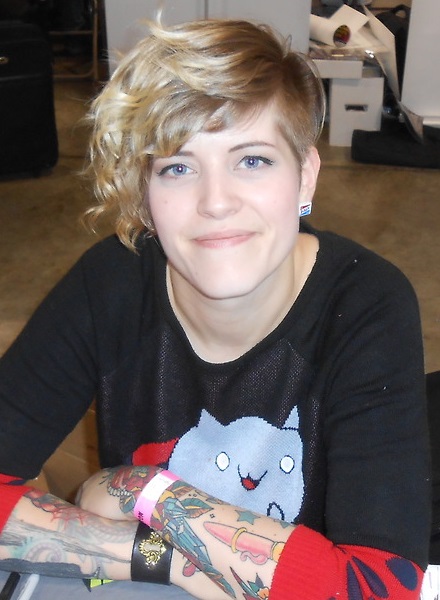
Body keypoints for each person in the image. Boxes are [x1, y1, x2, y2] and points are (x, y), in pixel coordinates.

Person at [0, 16, 431, 600]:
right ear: (145, 196)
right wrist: (171, 562)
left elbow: (380, 587)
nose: (216, 202)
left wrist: (147, 491)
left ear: (305, 178)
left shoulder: (364, 303)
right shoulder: (112, 282)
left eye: (252, 160)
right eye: (178, 168)